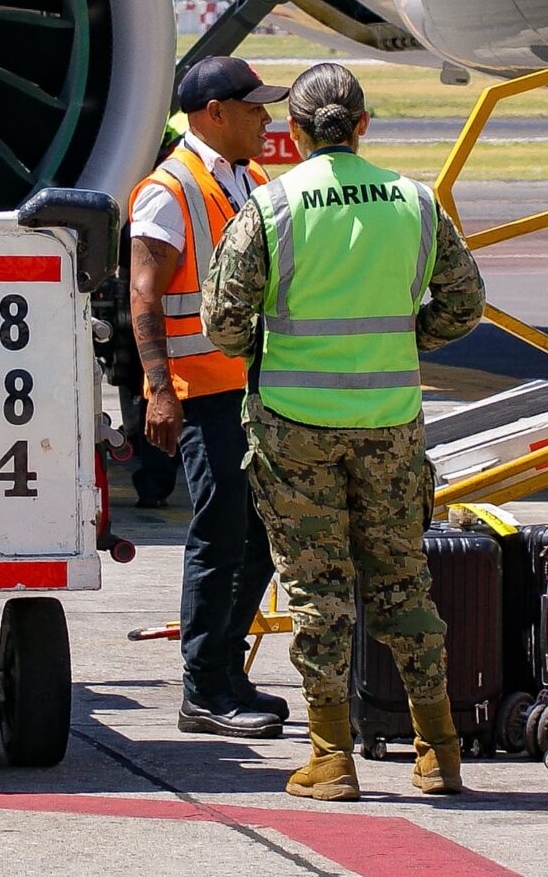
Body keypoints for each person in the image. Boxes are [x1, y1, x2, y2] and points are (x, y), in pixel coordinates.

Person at [203, 62, 486, 801]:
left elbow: (223, 324)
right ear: (363, 125)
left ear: (293, 134)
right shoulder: (414, 202)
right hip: (390, 421)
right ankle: (439, 749)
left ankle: (330, 756)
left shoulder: (271, 208)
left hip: (297, 426)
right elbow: (464, 303)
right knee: (403, 583)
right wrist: (403, 336)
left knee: (315, 589)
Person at [128, 56, 290, 737]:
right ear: (213, 113)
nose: (266, 118)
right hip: (201, 391)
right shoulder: (169, 190)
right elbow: (143, 293)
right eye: (254, 107)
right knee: (220, 533)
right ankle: (203, 685)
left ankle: (225, 667)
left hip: (251, 387)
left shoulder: (249, 178)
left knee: (256, 535)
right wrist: (159, 391)